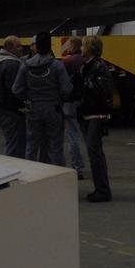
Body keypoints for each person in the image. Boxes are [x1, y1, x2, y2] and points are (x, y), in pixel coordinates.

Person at [13, 32, 72, 167]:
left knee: (32, 145)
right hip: (53, 108)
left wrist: (28, 98)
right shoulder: (57, 66)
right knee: (55, 147)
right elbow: (67, 89)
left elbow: (16, 89)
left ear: (36, 47)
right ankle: (57, 178)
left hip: (33, 108)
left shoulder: (25, 66)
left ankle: (31, 176)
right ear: (49, 45)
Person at [79, 35, 114, 203]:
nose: (81, 48)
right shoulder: (89, 66)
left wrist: (83, 86)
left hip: (96, 114)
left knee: (95, 152)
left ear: (89, 48)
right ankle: (101, 188)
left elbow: (100, 91)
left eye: (83, 46)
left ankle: (102, 190)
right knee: (94, 152)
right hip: (90, 113)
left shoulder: (98, 67)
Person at [0, 36, 27, 158]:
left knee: (11, 142)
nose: (22, 48)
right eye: (18, 46)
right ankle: (12, 170)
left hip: (1, 109)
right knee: (15, 146)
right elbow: (15, 90)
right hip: (11, 111)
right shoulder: (13, 65)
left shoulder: (1, 62)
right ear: (10, 48)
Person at [61, 37, 87, 180]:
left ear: (72, 46)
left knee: (73, 136)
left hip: (69, 104)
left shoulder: (67, 62)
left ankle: (78, 167)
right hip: (85, 103)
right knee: (87, 136)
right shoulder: (86, 61)